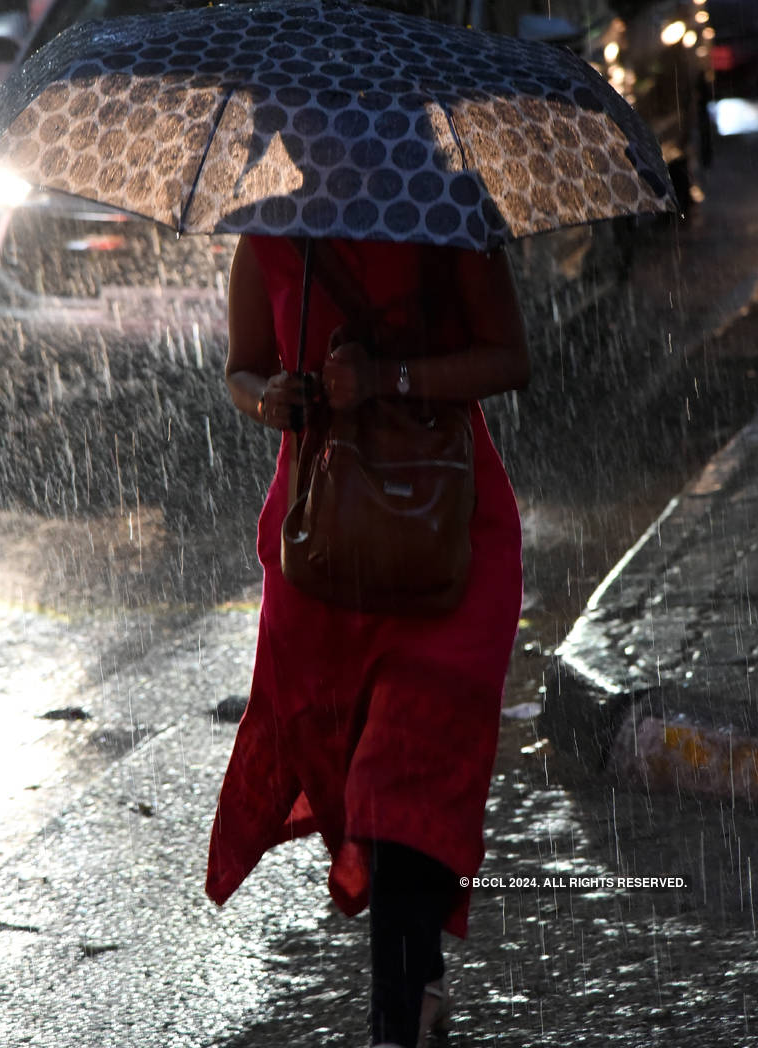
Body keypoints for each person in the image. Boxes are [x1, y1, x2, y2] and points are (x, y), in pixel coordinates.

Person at [206, 232, 530, 1048]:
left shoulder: (452, 218)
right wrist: (270, 399)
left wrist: (391, 379)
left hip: (446, 542)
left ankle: (395, 1026)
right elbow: (241, 368)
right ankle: (414, 983)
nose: (294, 136)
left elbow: (508, 358)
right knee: (360, 782)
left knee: (404, 786)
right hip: (321, 548)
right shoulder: (272, 234)